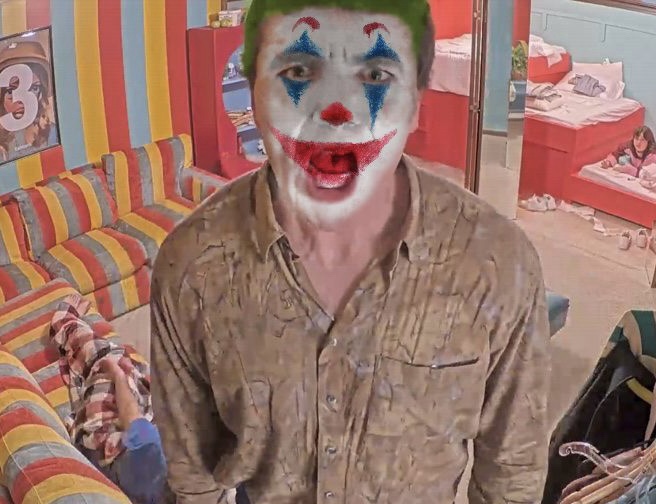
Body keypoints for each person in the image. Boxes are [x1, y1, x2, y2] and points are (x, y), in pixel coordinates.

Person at [150, 1, 551, 503]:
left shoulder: (498, 263)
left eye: (376, 74)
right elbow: (193, 480)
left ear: (416, 103)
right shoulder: (192, 266)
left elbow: (512, 477)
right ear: (252, 90)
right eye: (299, 71)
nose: (336, 111)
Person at [50, 294, 168, 504]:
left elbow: (131, 416)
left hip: (102, 443)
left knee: (110, 360)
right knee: (138, 377)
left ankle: (65, 322)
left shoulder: (153, 451)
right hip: (124, 457)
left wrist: (118, 376)